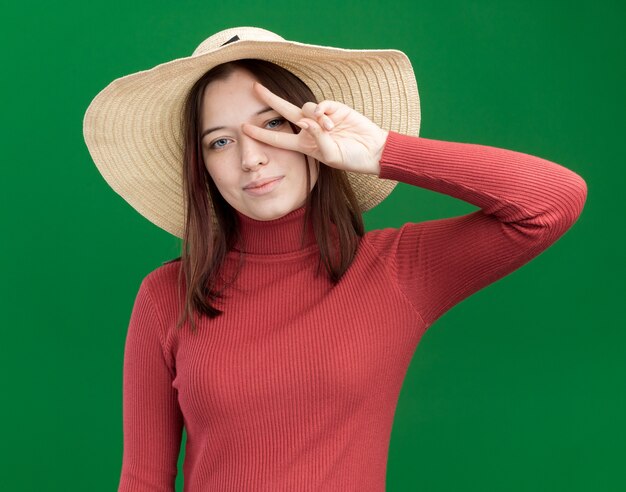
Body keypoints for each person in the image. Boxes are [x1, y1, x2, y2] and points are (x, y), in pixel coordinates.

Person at [83, 27, 587, 492]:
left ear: (312, 131)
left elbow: (552, 203)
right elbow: (143, 480)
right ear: (203, 169)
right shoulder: (166, 294)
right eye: (220, 141)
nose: (251, 157)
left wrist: (381, 151)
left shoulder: (392, 270)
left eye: (272, 125)